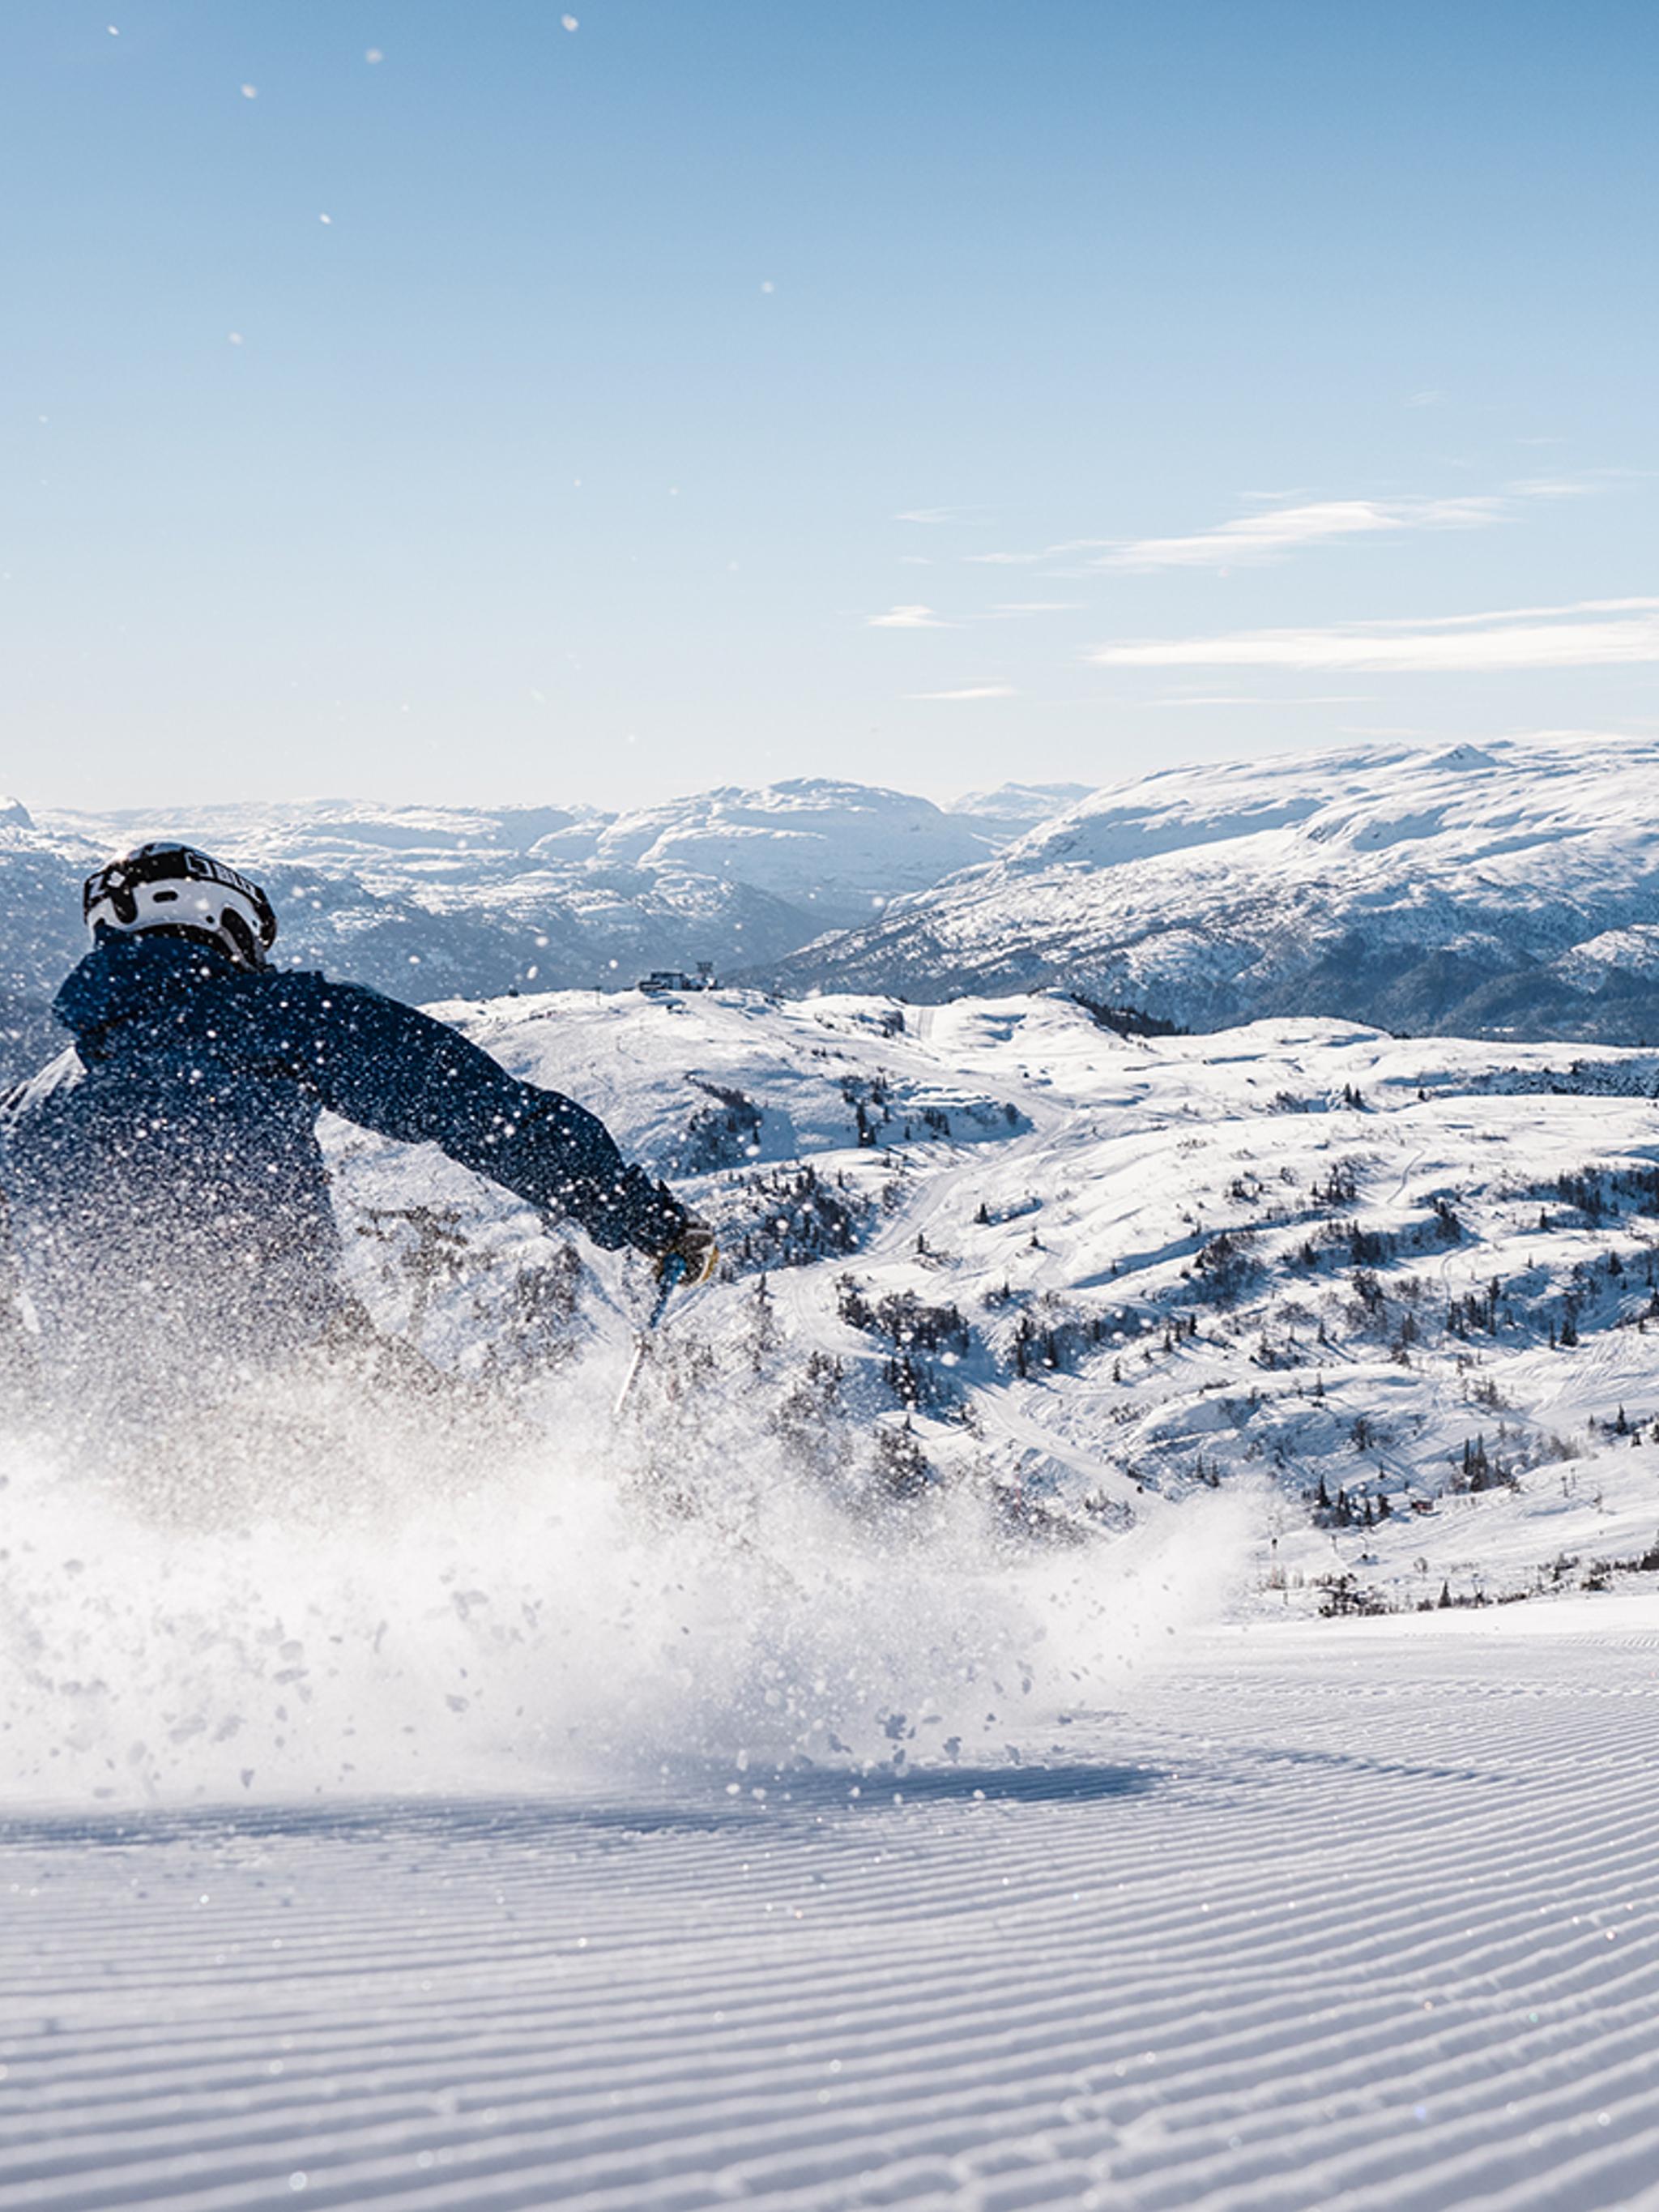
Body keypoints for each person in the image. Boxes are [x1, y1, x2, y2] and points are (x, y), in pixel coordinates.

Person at [0, 841, 716, 1440]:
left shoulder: (26, 1106)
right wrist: (637, 1216)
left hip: (109, 1434)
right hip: (295, 1374)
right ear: (221, 922)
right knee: (495, 1477)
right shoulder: (276, 1016)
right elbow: (478, 1111)